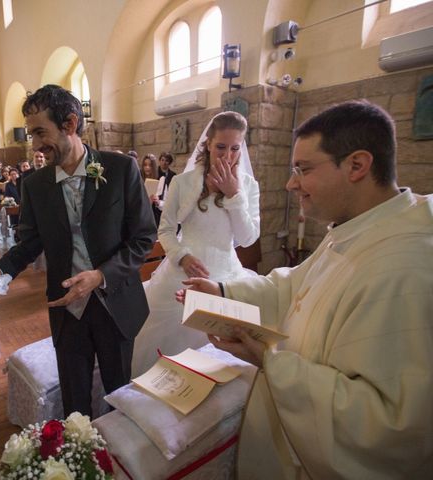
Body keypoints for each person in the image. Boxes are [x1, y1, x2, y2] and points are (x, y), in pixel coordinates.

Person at [178, 100, 433, 479]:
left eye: (304, 169)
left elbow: (388, 427)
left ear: (357, 166)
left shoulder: (405, 267)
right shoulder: (358, 228)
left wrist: (272, 363)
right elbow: (292, 286)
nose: (291, 183)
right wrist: (223, 291)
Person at [0, 85, 156, 416]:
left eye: (40, 132)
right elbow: (29, 243)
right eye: (31, 134)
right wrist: (1, 269)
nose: (35, 145)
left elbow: (143, 238)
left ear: (70, 124)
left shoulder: (120, 170)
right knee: (75, 400)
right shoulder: (36, 185)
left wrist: (101, 275)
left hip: (115, 305)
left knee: (118, 395)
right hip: (66, 308)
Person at [131, 111, 260, 377]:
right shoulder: (183, 182)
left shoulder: (248, 185)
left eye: (235, 148)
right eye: (221, 147)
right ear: (208, 145)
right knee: (168, 354)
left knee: (215, 360)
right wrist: (182, 257)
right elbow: (165, 230)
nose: (228, 155)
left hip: (226, 274)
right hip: (182, 274)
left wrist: (234, 194)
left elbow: (247, 238)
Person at [153, 152, 176, 225]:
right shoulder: (155, 173)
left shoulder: (173, 175)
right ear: (159, 161)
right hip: (156, 204)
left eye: (166, 161)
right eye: (162, 160)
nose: (164, 162)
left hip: (167, 203)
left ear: (169, 162)